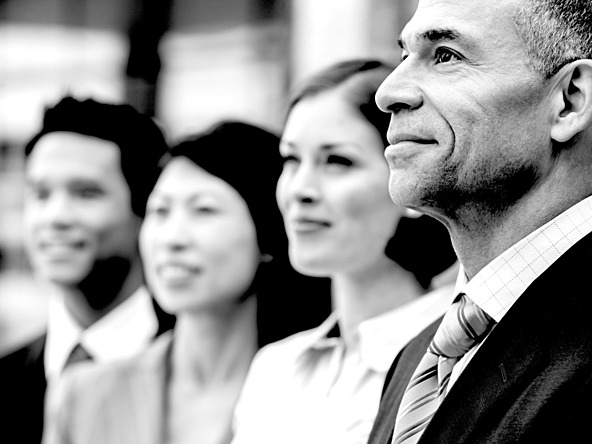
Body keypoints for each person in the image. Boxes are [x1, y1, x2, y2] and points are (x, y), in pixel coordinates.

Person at [367, 1, 592, 443]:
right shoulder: (418, 358)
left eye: (446, 55)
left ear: (569, 100)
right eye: (403, 56)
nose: (389, 92)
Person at [41, 120, 331, 444]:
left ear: (267, 236)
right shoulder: (83, 395)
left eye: (204, 210)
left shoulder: (318, 391)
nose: (171, 238)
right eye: (160, 211)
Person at [231, 59, 457, 444]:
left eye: (337, 161)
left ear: (408, 176)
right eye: (291, 159)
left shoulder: (454, 359)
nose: (300, 188)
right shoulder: (275, 368)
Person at [0, 96, 174, 444]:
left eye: (86, 193)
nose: (55, 217)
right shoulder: (5, 380)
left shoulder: (196, 375)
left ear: (147, 209)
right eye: (40, 194)